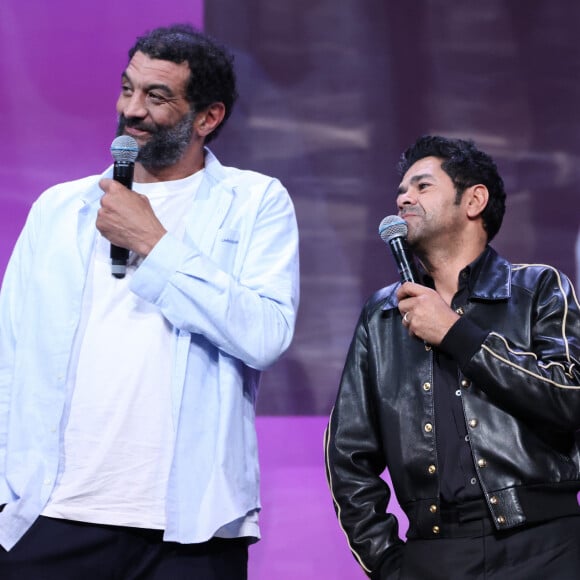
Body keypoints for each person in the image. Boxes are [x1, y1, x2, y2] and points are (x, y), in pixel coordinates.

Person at [0, 24, 299, 579]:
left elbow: (265, 335)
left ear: (208, 118)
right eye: (127, 89)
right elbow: (9, 354)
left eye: (156, 97)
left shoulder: (255, 202)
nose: (132, 110)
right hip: (53, 511)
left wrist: (154, 244)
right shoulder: (59, 209)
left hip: (192, 524)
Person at [324, 135, 580, 579]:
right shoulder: (383, 315)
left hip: (546, 544)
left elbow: (570, 397)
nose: (404, 197)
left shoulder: (537, 288)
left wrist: (457, 333)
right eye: (401, 190)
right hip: (436, 554)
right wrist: (386, 562)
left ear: (474, 200)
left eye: (422, 186)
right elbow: (347, 455)